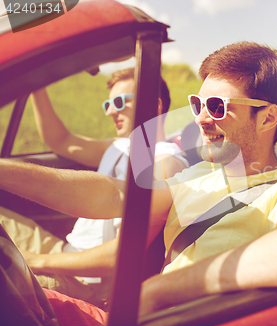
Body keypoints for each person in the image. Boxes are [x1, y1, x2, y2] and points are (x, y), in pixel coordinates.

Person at [0, 42, 277, 326]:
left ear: (268, 117)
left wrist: (160, 290)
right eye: (198, 104)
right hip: (133, 319)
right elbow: (116, 195)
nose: (202, 119)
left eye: (218, 107)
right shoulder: (198, 176)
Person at [0, 68, 188, 305]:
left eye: (119, 102)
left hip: (86, 284)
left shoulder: (167, 162)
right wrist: (38, 84)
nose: (110, 111)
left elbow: (119, 255)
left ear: (154, 106)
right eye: (108, 104)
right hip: (62, 252)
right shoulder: (119, 146)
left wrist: (37, 260)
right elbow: (60, 141)